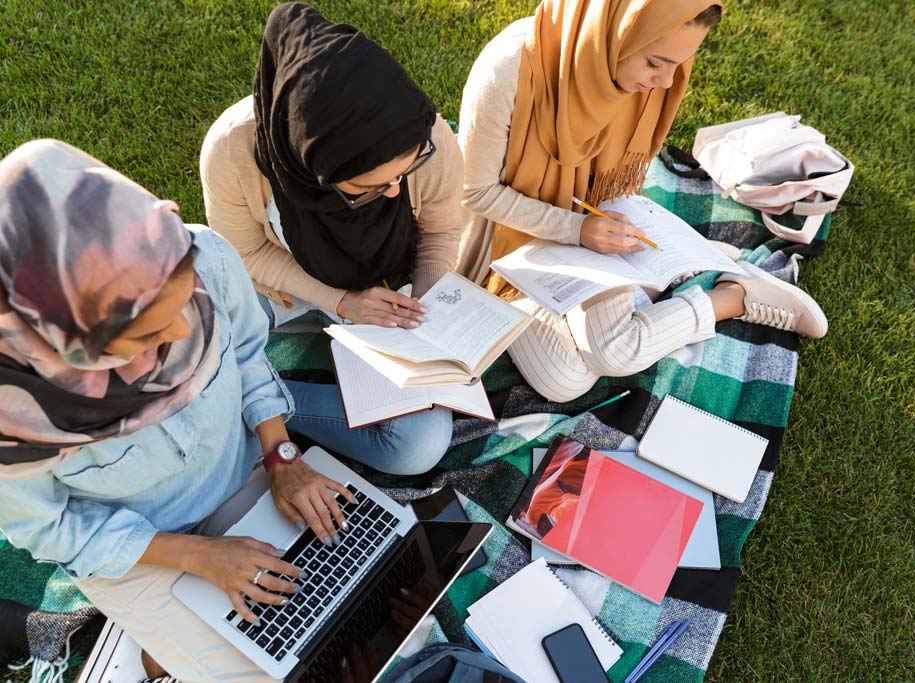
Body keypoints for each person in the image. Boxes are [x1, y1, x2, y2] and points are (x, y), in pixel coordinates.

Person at [0, 139, 372, 682]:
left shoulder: (205, 255)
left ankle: (163, 647)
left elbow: (247, 352)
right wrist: (199, 556)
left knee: (352, 607)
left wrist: (281, 456)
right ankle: (138, 647)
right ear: (66, 338)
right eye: (146, 334)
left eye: (185, 303)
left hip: (250, 477)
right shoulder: (10, 419)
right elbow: (50, 528)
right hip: (140, 548)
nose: (182, 333)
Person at [456, 0, 828, 403]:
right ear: (613, 31)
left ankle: (726, 293)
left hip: (597, 224)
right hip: (511, 244)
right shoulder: (509, 68)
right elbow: (476, 191)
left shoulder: (646, 81)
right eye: (655, 63)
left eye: (679, 64)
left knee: (615, 351)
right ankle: (718, 290)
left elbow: (616, 187)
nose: (667, 81)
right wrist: (576, 229)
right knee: (562, 380)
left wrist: (590, 231)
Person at [200, 2, 463, 473]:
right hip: (281, 285)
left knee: (417, 444)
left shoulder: (426, 138)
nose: (395, 191)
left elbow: (440, 232)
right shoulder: (232, 152)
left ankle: (250, 402)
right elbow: (245, 253)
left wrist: (427, 320)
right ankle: (243, 399)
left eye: (403, 175)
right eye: (369, 187)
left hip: (387, 293)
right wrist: (341, 302)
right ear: (315, 166)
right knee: (192, 334)